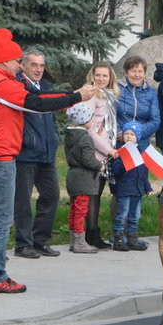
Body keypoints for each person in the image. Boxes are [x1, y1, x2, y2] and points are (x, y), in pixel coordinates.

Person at [0, 28, 96, 293]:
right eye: (17, 61)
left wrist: (72, 94)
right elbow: (35, 103)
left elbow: (36, 96)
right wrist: (76, 97)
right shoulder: (1, 83)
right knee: (2, 218)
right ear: (4, 61)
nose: (20, 65)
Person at [12, 48, 62, 259]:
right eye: (34, 65)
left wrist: (54, 137)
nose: (39, 69)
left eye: (42, 65)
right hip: (26, 153)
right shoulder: (17, 87)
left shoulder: (45, 87)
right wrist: (26, 140)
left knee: (52, 195)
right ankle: (23, 244)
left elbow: (51, 117)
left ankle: (40, 241)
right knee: (22, 199)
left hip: (47, 152)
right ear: (23, 65)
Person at [82, 62, 120, 250]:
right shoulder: (91, 95)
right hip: (98, 150)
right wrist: (108, 149)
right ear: (92, 76)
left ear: (110, 77)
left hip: (107, 150)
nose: (101, 79)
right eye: (98, 75)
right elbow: (90, 129)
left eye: (105, 76)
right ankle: (91, 234)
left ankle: (91, 232)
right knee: (93, 195)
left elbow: (109, 124)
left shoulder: (110, 96)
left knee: (97, 193)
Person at [64, 102, 105, 254]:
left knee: (74, 209)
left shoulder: (70, 136)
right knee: (81, 210)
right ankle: (80, 243)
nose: (93, 121)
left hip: (72, 175)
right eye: (91, 118)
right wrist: (99, 165)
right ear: (84, 120)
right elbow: (88, 159)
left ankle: (74, 239)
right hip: (83, 178)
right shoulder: (85, 138)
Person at [109, 121, 151, 252]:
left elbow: (143, 173)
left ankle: (132, 238)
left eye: (132, 134)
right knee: (122, 215)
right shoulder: (120, 152)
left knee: (135, 215)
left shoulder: (140, 152)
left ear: (137, 137)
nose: (128, 136)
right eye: (126, 133)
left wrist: (147, 187)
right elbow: (115, 170)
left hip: (137, 189)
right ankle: (118, 239)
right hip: (124, 189)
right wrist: (124, 163)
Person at [116, 56, 160, 152]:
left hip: (142, 144)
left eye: (140, 71)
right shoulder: (116, 89)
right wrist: (121, 132)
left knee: (140, 167)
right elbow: (109, 115)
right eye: (133, 71)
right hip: (119, 142)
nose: (137, 75)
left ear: (144, 74)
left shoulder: (151, 93)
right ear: (126, 73)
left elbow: (155, 121)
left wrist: (136, 132)